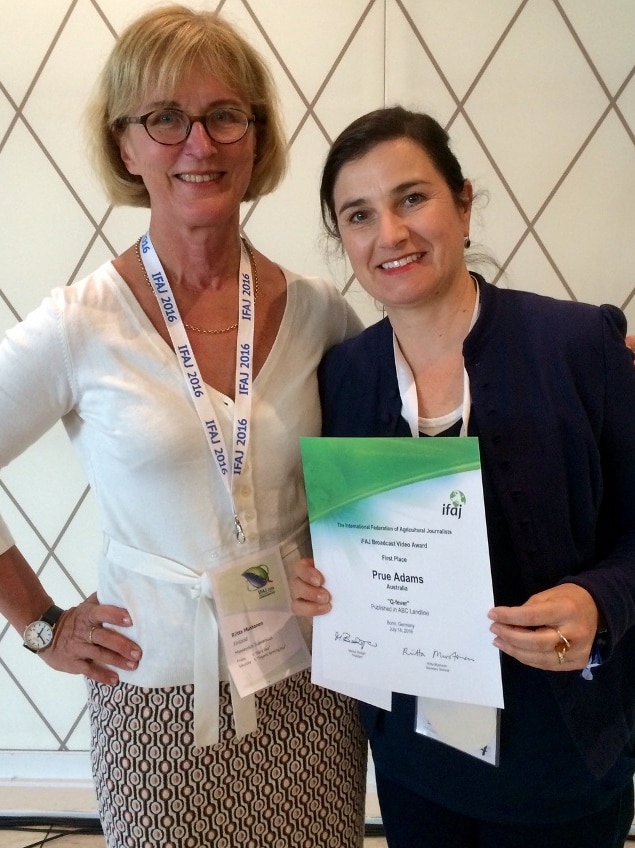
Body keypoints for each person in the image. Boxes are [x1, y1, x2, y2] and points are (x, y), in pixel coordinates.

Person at [0, 6, 367, 846]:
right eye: (164, 118)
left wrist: (590, 349)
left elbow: (407, 428)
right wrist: (42, 624)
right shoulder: (79, 322)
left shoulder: (321, 314)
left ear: (255, 136)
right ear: (126, 146)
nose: (198, 144)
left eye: (224, 115)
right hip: (154, 694)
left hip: (308, 685)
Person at [291, 106, 635, 847]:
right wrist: (318, 580)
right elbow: (347, 544)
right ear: (343, 241)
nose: (390, 233)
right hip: (416, 758)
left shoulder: (578, 346)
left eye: (411, 198)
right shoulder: (344, 377)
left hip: (561, 760)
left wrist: (597, 603)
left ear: (463, 202)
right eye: (359, 215)